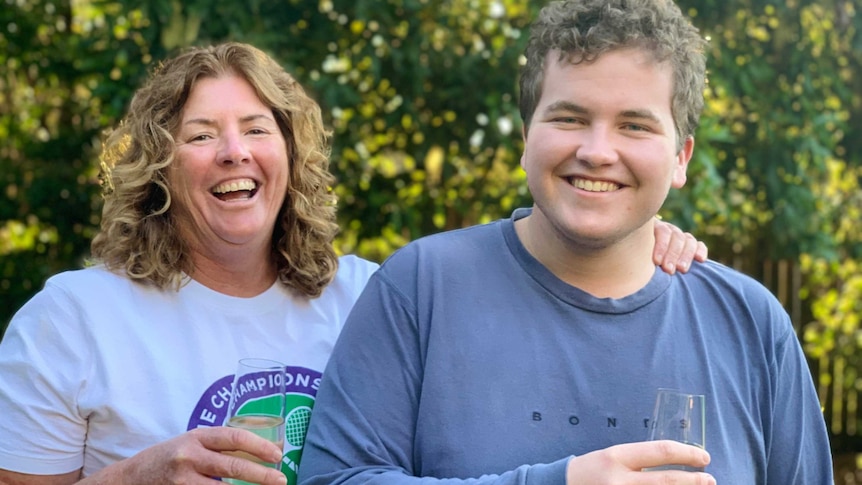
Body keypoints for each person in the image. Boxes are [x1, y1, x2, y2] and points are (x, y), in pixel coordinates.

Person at [0, 41, 705, 485]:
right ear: (159, 167)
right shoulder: (71, 320)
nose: (234, 151)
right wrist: (137, 478)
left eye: (256, 129)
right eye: (200, 135)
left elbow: (515, 264)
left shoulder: (368, 293)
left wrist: (631, 232)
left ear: (290, 157)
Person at [297, 0, 834, 484]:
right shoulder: (421, 287)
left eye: (634, 126)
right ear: (527, 139)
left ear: (681, 158)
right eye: (570, 118)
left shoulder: (751, 325)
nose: (598, 151)